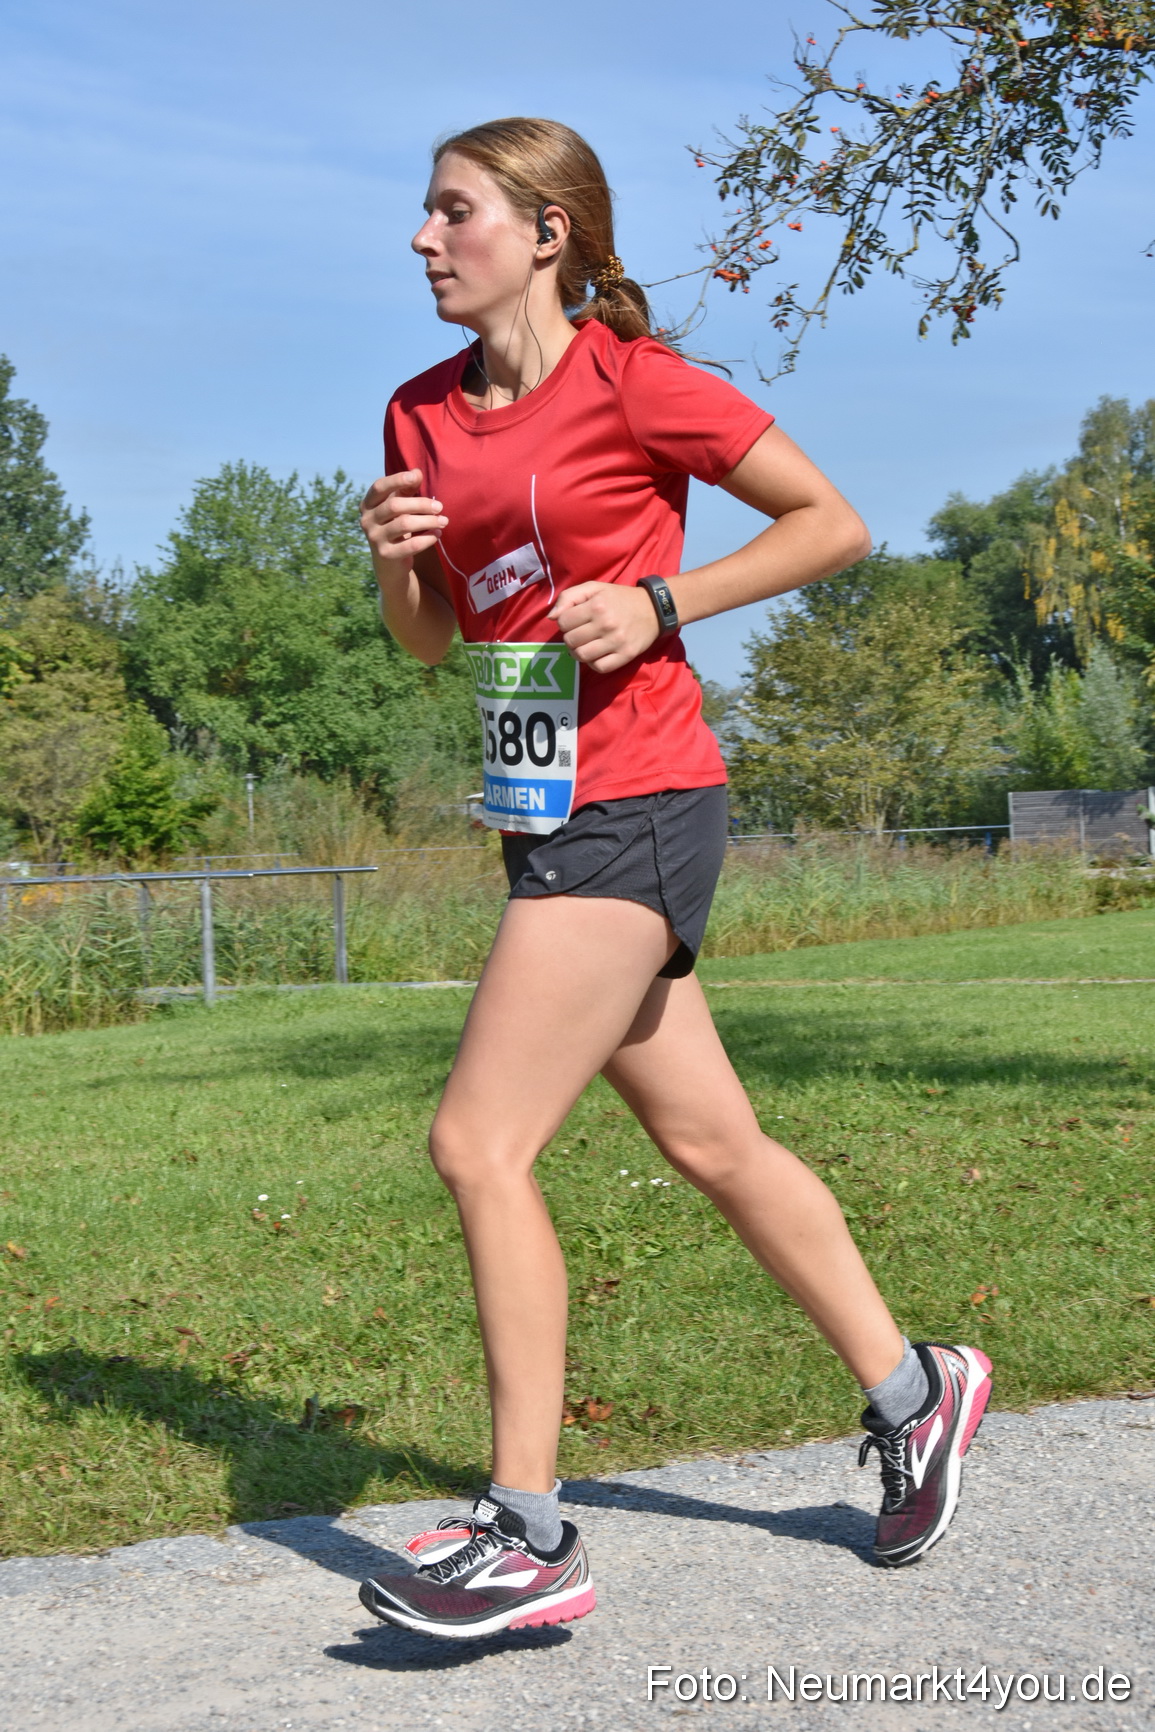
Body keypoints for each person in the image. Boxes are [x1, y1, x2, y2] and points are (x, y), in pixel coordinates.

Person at [356, 117, 992, 1642]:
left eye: (455, 213)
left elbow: (831, 523)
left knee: (478, 1143)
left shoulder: (635, 384)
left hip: (641, 795)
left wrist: (662, 599)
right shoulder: (419, 409)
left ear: (548, 230)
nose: (424, 240)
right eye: (424, 215)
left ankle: (528, 1534)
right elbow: (435, 640)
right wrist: (391, 554)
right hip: (544, 810)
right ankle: (919, 1389)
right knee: (712, 1140)